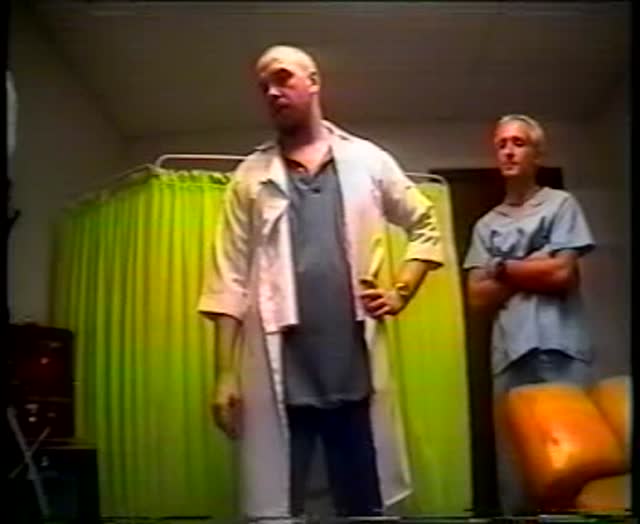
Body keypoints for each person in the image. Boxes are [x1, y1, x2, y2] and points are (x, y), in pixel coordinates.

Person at [197, 45, 443, 518]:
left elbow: (424, 223)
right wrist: (224, 373)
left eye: (282, 78)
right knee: (281, 506)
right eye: (263, 86)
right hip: (283, 381)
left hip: (353, 375)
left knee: (362, 505)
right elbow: (228, 276)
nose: (272, 92)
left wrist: (402, 290)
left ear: (313, 82)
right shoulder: (249, 178)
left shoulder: (368, 160)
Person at [463, 114, 596, 514]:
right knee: (516, 470)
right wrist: (535, 263)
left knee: (577, 462)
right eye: (501, 144)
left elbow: (561, 275)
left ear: (537, 153)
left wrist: (501, 267)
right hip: (510, 357)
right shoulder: (486, 225)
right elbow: (476, 296)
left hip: (562, 350)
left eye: (518, 143)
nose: (508, 151)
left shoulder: (560, 204)